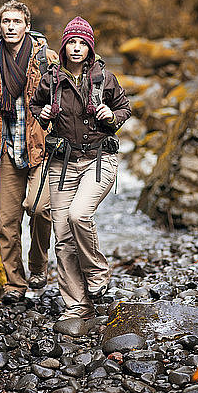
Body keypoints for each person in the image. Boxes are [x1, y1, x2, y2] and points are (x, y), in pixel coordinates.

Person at [29, 16, 131, 320]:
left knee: (79, 215)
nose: (76, 48)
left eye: (81, 43)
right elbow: (36, 105)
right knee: (61, 236)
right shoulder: (51, 79)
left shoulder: (104, 79)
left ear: (90, 47)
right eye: (71, 42)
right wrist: (44, 113)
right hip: (62, 163)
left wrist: (110, 115)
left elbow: (125, 107)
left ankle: (98, 272)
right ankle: (77, 305)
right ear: (63, 46)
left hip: (98, 161)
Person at [0, 0, 58, 304]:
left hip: (40, 147)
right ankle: (15, 284)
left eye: (17, 22)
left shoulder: (47, 60)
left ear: (27, 26)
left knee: (40, 208)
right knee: (7, 223)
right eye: (6, 21)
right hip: (5, 149)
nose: (11, 27)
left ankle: (38, 268)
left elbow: (64, 101)